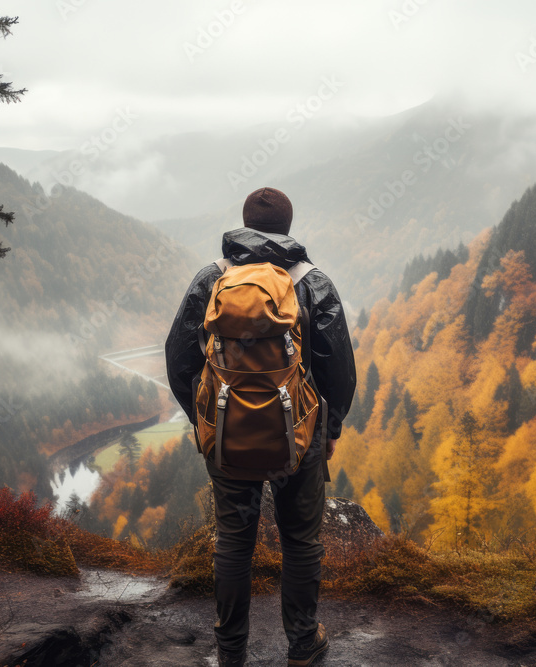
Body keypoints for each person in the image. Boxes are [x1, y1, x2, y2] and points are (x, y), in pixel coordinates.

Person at [165, 186, 357, 666]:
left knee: (234, 540)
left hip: (228, 436)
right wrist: (330, 429)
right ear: (288, 228)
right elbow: (339, 370)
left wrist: (207, 420)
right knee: (299, 541)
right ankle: (302, 644)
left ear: (244, 224)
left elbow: (177, 356)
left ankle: (231, 653)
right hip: (299, 433)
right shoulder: (313, 282)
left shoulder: (212, 279)